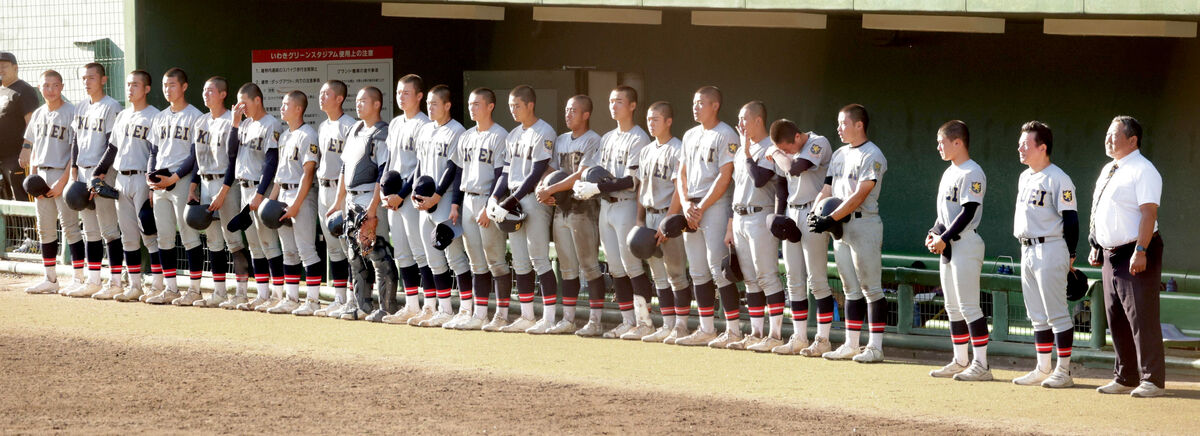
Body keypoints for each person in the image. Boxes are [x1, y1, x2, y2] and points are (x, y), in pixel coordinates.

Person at [1089, 115, 1166, 398]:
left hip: (1137, 250)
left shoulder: (1144, 170)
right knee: (1116, 316)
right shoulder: (1110, 169)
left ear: (1132, 140)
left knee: (1141, 316)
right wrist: (1095, 243)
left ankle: (1152, 379)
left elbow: (1148, 212)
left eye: (1115, 134)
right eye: (1107, 133)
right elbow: (1101, 210)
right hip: (1110, 253)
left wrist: (1141, 250)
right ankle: (1126, 376)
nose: (1108, 138)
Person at [573, 86, 654, 339]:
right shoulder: (607, 137)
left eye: (619, 101)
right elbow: (595, 169)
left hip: (626, 204)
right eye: (610, 101)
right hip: (606, 205)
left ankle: (644, 321)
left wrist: (595, 186)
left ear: (632, 106)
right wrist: (582, 182)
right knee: (615, 267)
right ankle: (627, 320)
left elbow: (631, 181)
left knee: (632, 265)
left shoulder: (639, 137)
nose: (613, 105)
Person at [810, 104, 888, 363]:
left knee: (871, 288)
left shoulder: (872, 153)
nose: (839, 128)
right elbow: (828, 188)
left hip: (863, 223)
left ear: (859, 125)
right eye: (838, 123)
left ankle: (875, 346)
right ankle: (851, 344)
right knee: (850, 288)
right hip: (839, 227)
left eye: (843, 123)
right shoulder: (840, 153)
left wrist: (830, 217)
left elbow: (861, 193)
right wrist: (816, 211)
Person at [1011, 121, 1079, 388]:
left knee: (1057, 314)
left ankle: (1063, 371)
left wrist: (1070, 254)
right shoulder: (1024, 176)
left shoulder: (1058, 178)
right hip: (1026, 248)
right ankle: (1043, 367)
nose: (1020, 147)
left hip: (1051, 247)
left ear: (1042, 147)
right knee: (1037, 315)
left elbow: (1071, 219)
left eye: (1026, 144)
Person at [924, 120, 991, 381]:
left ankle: (982, 364)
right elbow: (944, 214)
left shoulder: (972, 172)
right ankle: (961, 360)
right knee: (952, 307)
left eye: (942, 142)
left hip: (965, 241)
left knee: (969, 306)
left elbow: (968, 211)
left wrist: (945, 237)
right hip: (948, 244)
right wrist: (933, 232)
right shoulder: (949, 172)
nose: (938, 147)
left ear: (957, 142)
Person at [488, 85, 557, 333]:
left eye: (517, 105)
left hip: (534, 198)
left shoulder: (544, 131)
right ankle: (527, 315)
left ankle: (548, 318)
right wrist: (495, 197)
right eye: (510, 106)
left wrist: (510, 200)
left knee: (539, 258)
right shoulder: (513, 134)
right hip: (514, 198)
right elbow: (506, 171)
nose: (513, 110)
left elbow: (537, 172)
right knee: (519, 260)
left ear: (530, 105)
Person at [673, 86, 738, 346]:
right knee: (698, 271)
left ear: (715, 105)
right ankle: (706, 328)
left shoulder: (726, 134)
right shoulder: (689, 135)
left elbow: (726, 175)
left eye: (701, 103)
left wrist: (701, 206)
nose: (695, 107)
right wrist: (687, 202)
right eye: (694, 102)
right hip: (693, 207)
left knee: (718, 268)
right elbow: (681, 173)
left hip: (716, 206)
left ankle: (733, 330)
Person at [764, 119, 833, 356]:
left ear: (796, 137)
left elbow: (794, 167)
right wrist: (779, 216)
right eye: (781, 149)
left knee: (817, 280)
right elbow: (781, 184)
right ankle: (799, 337)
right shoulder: (784, 153)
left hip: (814, 211)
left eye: (787, 147)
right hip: (793, 211)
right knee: (793, 279)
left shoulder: (817, 142)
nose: (785, 152)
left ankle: (823, 339)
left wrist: (774, 151)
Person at [724, 101, 787, 352]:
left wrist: (748, 152)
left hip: (761, 215)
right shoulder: (741, 151)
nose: (740, 124)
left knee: (767, 276)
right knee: (750, 280)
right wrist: (730, 225)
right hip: (740, 216)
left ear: (758, 120)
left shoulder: (769, 149)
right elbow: (736, 189)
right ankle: (756, 332)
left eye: (744, 119)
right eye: (739, 119)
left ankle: (774, 335)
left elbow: (761, 180)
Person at [536, 94, 603, 335]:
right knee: (567, 268)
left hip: (584, 206)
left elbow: (581, 174)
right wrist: (545, 189)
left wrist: (551, 189)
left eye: (573, 110)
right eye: (566, 109)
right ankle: (569, 318)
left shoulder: (594, 140)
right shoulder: (561, 139)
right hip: (561, 208)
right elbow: (552, 169)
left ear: (586, 114)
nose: (568, 114)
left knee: (590, 267)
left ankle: (595, 320)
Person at [329, 86, 396, 320]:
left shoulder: (382, 132)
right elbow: (345, 167)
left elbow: (382, 172)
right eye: (357, 101)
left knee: (376, 252)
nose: (358, 105)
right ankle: (361, 306)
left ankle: (386, 307)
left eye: (363, 101)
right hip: (351, 197)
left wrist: (373, 207)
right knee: (354, 254)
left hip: (369, 195)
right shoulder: (355, 129)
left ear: (377, 104)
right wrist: (338, 201)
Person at [408, 84, 471, 327]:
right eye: (428, 104)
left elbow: (454, 168)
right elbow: (419, 166)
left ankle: (466, 309)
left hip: (444, 202)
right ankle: (442, 309)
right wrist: (415, 192)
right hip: (426, 203)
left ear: (447, 105)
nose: (430, 107)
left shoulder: (457, 131)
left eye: (435, 103)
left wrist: (438, 195)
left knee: (455, 256)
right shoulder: (425, 130)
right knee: (433, 256)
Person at [188, 76, 251, 309]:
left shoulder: (232, 121)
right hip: (205, 183)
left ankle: (242, 293)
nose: (206, 94)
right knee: (213, 241)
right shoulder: (201, 122)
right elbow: (197, 157)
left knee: (233, 240)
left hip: (227, 184)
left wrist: (224, 191)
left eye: (211, 90)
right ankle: (219, 292)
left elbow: (234, 160)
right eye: (204, 90)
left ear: (223, 94)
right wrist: (192, 186)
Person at [451, 87, 511, 331]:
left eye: (477, 104)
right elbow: (458, 172)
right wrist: (455, 203)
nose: (471, 108)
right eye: (470, 104)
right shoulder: (465, 136)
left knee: (496, 260)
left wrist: (490, 205)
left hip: (489, 200)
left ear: (490, 106)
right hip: (468, 200)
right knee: (477, 262)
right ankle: (480, 313)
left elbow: (502, 176)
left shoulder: (500, 135)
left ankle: (502, 314)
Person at [101, 70, 162, 302]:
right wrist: (99, 171)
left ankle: (157, 284)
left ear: (147, 89)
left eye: (136, 85)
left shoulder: (154, 116)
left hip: (142, 179)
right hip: (121, 179)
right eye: (128, 84)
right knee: (128, 236)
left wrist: (152, 184)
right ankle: (135, 285)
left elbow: (157, 152)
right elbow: (112, 149)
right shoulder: (123, 115)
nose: (130, 89)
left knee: (149, 234)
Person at [145, 68, 204, 306]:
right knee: (165, 238)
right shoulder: (159, 117)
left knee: (190, 237)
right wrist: (151, 179)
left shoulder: (195, 116)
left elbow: (195, 155)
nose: (167, 89)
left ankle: (195, 289)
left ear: (184, 86)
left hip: (181, 181)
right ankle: (170, 288)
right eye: (164, 85)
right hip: (161, 183)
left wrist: (176, 177)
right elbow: (153, 151)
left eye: (172, 85)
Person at [21, 70, 84, 295]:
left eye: (54, 85)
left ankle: (78, 278)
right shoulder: (38, 114)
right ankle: (50, 279)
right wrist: (33, 179)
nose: (50, 89)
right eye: (46, 85)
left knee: (70, 228)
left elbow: (74, 151)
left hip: (63, 174)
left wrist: (62, 181)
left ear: (62, 87)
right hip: (42, 175)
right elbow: (35, 148)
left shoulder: (72, 112)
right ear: (40, 88)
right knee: (45, 230)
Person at [635, 101, 691, 343]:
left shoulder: (678, 148)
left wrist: (669, 219)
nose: (651, 123)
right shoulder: (646, 150)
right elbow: (641, 187)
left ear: (669, 121)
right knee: (658, 274)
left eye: (656, 119)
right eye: (649, 119)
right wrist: (639, 219)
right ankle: (667, 324)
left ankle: (681, 326)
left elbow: (680, 187)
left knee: (676, 275)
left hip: (670, 215)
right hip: (649, 214)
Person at [67, 62, 124, 299]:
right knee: (89, 229)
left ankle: (116, 281)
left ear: (103, 80)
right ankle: (93, 280)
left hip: (103, 173)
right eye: (83, 78)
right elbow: (76, 141)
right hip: (82, 171)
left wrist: (100, 173)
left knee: (109, 229)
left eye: (91, 77)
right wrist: (73, 171)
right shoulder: (80, 107)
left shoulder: (112, 107)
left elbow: (113, 145)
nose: (86, 82)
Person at [266, 90, 324, 316]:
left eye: (286, 104)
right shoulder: (286, 136)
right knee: (289, 251)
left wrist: (296, 205)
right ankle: (291, 298)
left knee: (306, 250)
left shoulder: (307, 134)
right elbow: (280, 176)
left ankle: (313, 300)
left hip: (302, 197)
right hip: (284, 196)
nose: (282, 108)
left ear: (298, 109)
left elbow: (308, 173)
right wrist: (270, 202)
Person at [381, 74, 433, 324]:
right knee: (402, 252)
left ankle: (431, 305)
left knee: (420, 251)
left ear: (420, 96)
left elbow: (420, 166)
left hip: (411, 194)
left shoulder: (425, 124)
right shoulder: (395, 123)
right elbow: (389, 162)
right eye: (398, 92)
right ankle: (412, 305)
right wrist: (384, 192)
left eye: (406, 93)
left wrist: (401, 195)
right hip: (392, 195)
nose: (401, 97)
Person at [231, 82, 285, 311]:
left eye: (244, 103)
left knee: (269, 244)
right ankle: (262, 294)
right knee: (254, 245)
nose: (241, 108)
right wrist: (234, 125)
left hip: (260, 189)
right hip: (243, 188)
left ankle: (278, 294)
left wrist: (260, 194)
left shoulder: (271, 124)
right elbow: (231, 153)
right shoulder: (243, 125)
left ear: (257, 100)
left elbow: (272, 162)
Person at [312, 80, 355, 317]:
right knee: (332, 247)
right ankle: (339, 298)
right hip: (323, 188)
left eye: (327, 94)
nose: (322, 97)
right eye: (321, 93)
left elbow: (350, 166)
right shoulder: (322, 126)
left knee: (347, 245)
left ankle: (352, 298)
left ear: (339, 98)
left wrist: (341, 198)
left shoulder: (349, 125)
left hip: (343, 191)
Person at [0, 51, 40, 200]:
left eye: (4, 66)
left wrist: (27, 148)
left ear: (15, 68)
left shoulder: (24, 90)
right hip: (2, 157)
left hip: (17, 158)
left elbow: (32, 123)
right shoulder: (1, 89)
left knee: (21, 197)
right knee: (5, 200)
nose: (0, 70)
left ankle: (28, 224)